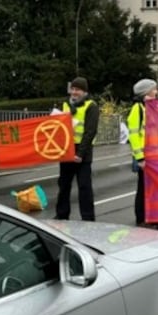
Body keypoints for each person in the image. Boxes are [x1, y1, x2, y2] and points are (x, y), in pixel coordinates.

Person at [55, 77, 99, 221]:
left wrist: (80, 154)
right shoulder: (66, 105)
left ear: (84, 92)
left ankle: (88, 218)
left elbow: (90, 132)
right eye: (72, 89)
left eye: (77, 90)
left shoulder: (91, 106)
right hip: (67, 149)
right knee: (64, 185)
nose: (74, 92)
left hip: (83, 151)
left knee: (84, 186)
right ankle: (62, 214)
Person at [128, 79, 158, 230]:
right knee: (143, 189)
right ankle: (142, 219)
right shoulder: (137, 109)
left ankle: (156, 218)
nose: (156, 92)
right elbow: (133, 135)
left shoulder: (154, 108)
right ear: (146, 92)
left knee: (157, 189)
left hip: (157, 155)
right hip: (145, 157)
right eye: (154, 89)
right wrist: (140, 158)